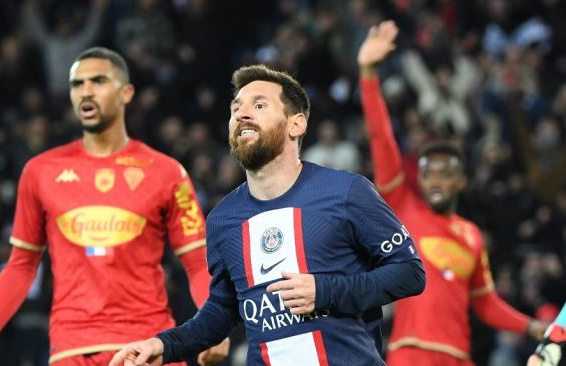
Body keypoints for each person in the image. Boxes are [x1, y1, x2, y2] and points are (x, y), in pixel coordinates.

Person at [108, 64, 426, 366]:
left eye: (259, 105)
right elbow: (222, 309)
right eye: (235, 108)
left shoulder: (346, 191)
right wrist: (163, 345)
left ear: (296, 124)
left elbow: (409, 272)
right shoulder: (223, 220)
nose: (241, 113)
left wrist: (327, 291)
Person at [0, 47, 229, 366]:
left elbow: (197, 262)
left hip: (149, 346)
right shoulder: (41, 171)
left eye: (98, 81)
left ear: (126, 92)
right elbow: (22, 265)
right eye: (77, 84)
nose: (85, 91)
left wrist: (213, 325)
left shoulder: (166, 172)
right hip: (73, 349)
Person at [358, 20, 548, 366]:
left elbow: (487, 304)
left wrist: (532, 326)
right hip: (410, 353)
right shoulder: (405, 211)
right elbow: (381, 141)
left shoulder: (472, 236)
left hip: (459, 358)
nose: (435, 181)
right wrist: (369, 75)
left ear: (461, 181)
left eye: (445, 175)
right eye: (429, 174)